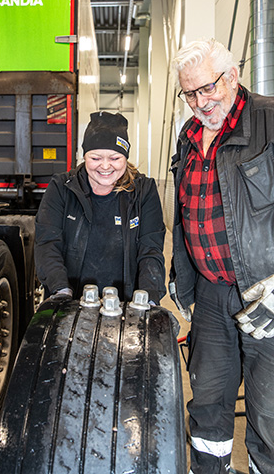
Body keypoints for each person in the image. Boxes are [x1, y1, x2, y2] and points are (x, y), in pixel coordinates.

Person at [170, 38, 274, 474]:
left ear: (232, 77)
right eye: (190, 93)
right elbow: (183, 210)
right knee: (209, 404)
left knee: (269, 413)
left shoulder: (269, 120)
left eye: (208, 88)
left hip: (266, 295)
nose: (200, 101)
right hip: (212, 298)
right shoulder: (188, 135)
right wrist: (182, 276)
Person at [35, 110, 166, 304]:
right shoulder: (62, 188)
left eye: (115, 158)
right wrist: (61, 292)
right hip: (71, 300)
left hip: (127, 303)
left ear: (126, 157)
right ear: (84, 155)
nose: (105, 167)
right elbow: (47, 243)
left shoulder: (143, 192)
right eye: (96, 158)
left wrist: (148, 298)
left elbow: (151, 249)